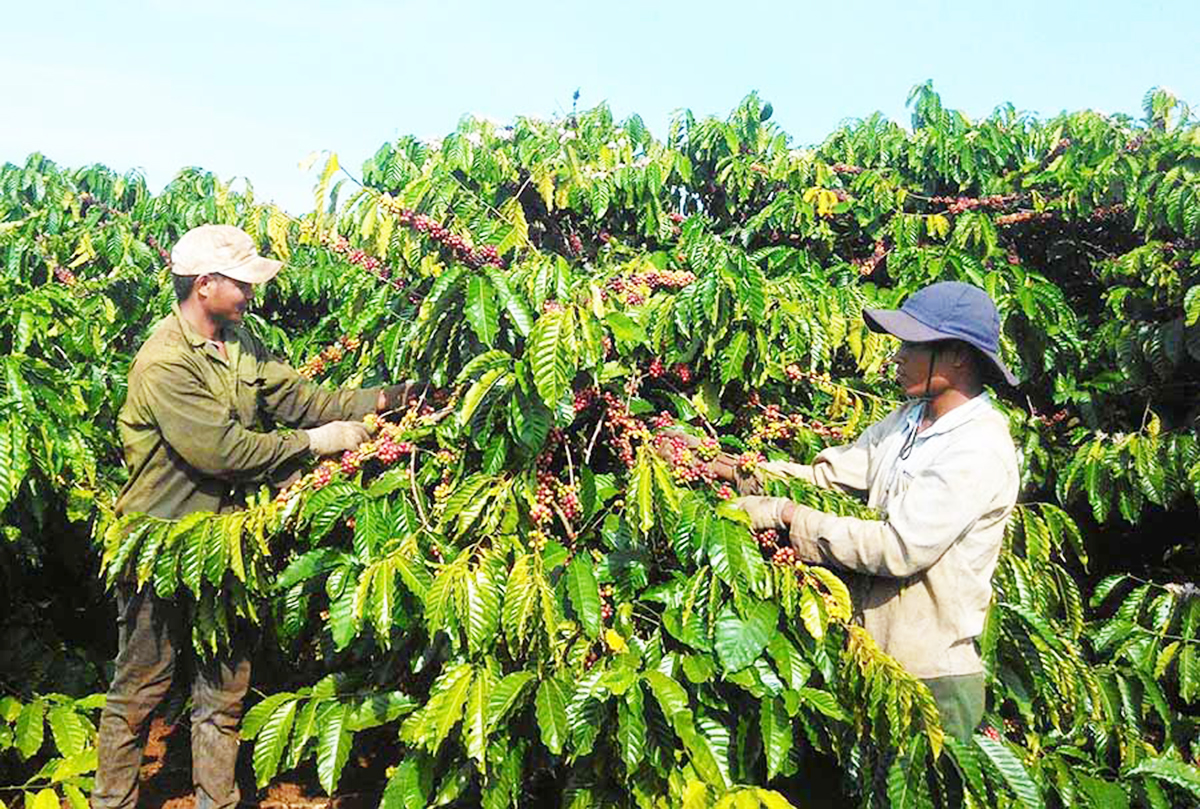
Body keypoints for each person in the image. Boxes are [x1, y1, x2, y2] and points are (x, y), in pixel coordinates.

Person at [93, 225, 424, 809]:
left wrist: (394, 397)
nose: (251, 293)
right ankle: (111, 801)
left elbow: (306, 400)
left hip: (229, 541)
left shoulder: (240, 343)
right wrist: (314, 443)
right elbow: (222, 453)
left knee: (224, 689)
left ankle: (216, 801)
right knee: (140, 686)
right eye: (242, 283)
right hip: (162, 544)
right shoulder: (165, 362)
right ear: (204, 285)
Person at [669, 281, 1020, 742]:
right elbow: (825, 479)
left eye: (912, 346)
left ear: (957, 356)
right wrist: (725, 466)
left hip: (930, 680)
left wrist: (788, 516)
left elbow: (899, 549)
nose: (896, 357)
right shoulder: (908, 422)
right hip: (866, 658)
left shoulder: (978, 447)